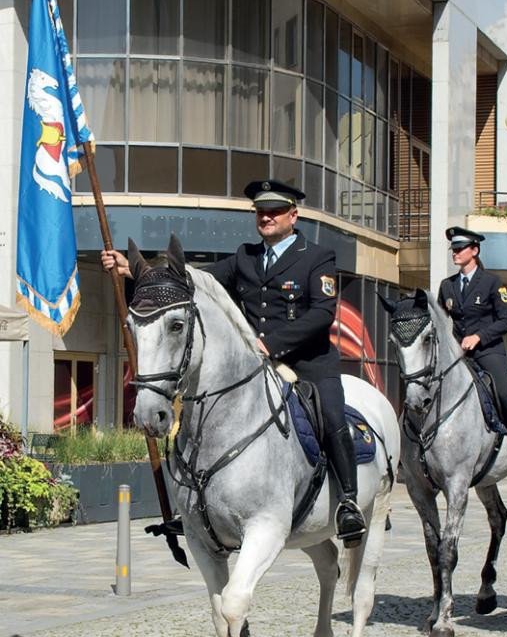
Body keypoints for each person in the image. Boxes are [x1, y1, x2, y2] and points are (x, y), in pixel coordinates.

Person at [101, 179, 366, 547]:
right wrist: (134, 269)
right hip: (253, 365)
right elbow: (194, 281)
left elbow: (322, 314)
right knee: (201, 417)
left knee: (332, 414)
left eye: (274, 211)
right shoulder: (245, 257)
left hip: (308, 362)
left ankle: (349, 504)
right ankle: (193, 506)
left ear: (294, 214)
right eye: (261, 212)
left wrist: (270, 343)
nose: (266, 217)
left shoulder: (317, 256)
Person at [436, 226, 507, 486]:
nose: (455, 253)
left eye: (460, 249)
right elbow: (441, 321)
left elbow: (506, 321)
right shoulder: (447, 286)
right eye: (454, 249)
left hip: (488, 351)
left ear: (475, 250)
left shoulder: (492, 283)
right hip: (459, 356)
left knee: (503, 392)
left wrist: (479, 337)